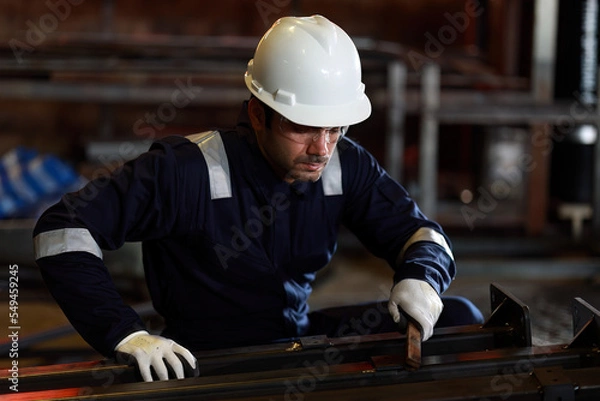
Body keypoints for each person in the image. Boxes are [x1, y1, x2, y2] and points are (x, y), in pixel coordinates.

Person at [33, 14, 483, 383]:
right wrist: (124, 332)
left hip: (298, 341)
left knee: (460, 316)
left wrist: (423, 276)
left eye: (334, 128)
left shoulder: (346, 164)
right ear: (257, 113)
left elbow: (420, 232)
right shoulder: (187, 170)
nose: (321, 148)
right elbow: (63, 230)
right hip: (206, 364)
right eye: (303, 127)